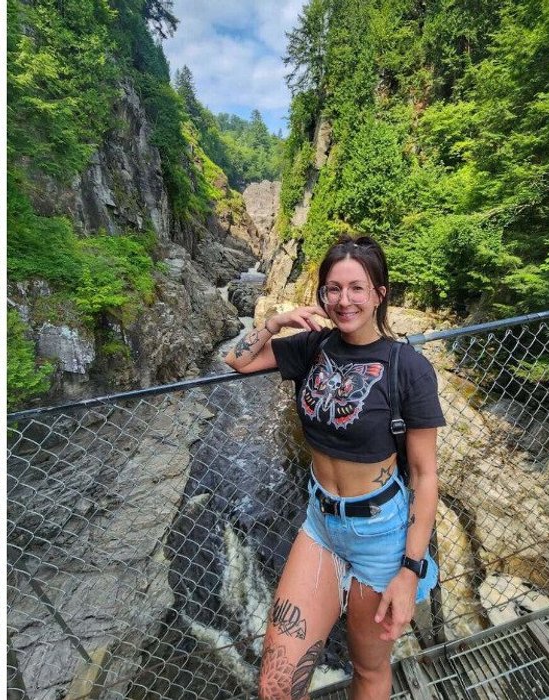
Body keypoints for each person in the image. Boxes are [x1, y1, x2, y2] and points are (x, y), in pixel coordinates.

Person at [223, 234, 444, 699]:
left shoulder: (408, 368)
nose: (344, 301)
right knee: (276, 686)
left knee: (367, 670)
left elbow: (425, 476)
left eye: (357, 288)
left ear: (380, 294)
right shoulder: (311, 348)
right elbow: (237, 361)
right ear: (323, 294)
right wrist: (274, 321)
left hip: (381, 535)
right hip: (320, 525)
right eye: (333, 289)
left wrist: (409, 570)